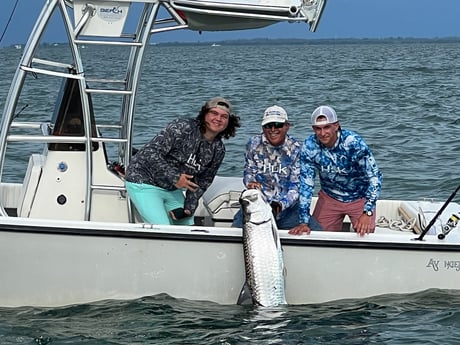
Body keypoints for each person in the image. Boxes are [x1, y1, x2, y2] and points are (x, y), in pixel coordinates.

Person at [125, 97, 241, 225]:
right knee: (163, 229)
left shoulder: (218, 149)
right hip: (143, 181)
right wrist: (175, 178)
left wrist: (188, 209)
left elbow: (202, 183)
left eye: (224, 116)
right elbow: (149, 152)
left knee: (188, 227)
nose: (218, 119)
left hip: (172, 190)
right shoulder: (183, 127)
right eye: (214, 113)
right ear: (204, 114)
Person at [289, 105, 382, 236]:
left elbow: (375, 177)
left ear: (336, 125)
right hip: (330, 197)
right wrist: (303, 221)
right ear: (313, 129)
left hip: (359, 197)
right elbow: (306, 184)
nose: (322, 133)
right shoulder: (310, 146)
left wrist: (368, 211)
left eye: (327, 127)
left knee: (366, 235)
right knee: (317, 235)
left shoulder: (353, 143)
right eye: (318, 129)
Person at [232, 105, 321, 230]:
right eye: (268, 125)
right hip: (257, 206)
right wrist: (250, 183)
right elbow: (249, 171)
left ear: (287, 126)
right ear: (263, 127)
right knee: (234, 232)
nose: (273, 129)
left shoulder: (296, 149)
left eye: (278, 125)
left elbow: (296, 186)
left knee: (318, 232)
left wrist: (279, 205)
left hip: (288, 210)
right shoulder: (253, 144)